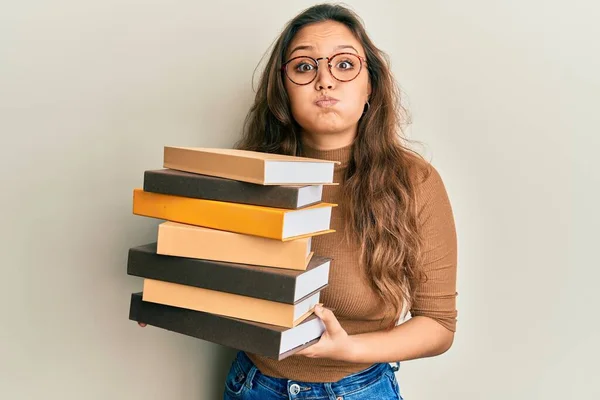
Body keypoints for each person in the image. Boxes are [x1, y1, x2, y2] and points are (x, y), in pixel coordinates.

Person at [135, 2, 456, 398]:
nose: (325, 80)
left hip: (358, 389)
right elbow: (221, 271)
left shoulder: (414, 181)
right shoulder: (247, 175)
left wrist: (350, 348)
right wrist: (176, 294)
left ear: (370, 83)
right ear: (283, 88)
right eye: (305, 66)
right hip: (253, 385)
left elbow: (439, 324)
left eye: (344, 64)